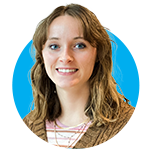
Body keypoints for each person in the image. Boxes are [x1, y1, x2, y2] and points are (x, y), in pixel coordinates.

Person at [14, 3, 141, 149]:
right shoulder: (27, 127)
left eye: (79, 45)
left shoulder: (135, 127)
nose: (65, 57)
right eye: (54, 46)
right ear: (42, 55)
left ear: (98, 53)